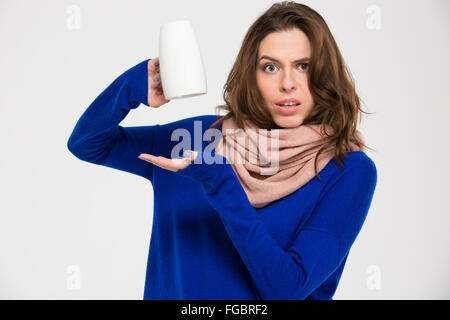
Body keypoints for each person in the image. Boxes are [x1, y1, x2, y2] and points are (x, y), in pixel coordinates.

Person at [67, 1, 377, 300]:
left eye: (303, 66)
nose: (287, 83)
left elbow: (288, 288)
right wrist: (132, 87)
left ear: (325, 73)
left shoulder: (347, 168)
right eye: (270, 67)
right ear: (251, 76)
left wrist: (220, 180)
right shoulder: (195, 137)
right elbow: (88, 143)